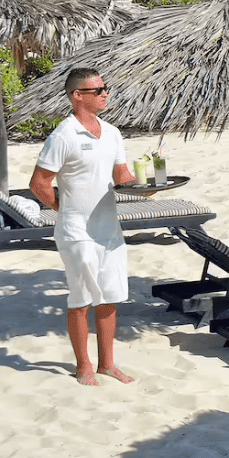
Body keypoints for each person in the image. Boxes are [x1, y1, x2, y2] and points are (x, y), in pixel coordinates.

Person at [29, 68, 138, 386]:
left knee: (109, 296)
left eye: (106, 87)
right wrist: (65, 210)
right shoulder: (63, 135)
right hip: (76, 231)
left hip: (109, 230)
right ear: (78, 96)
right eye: (98, 89)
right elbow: (39, 183)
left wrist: (148, 186)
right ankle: (84, 366)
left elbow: (122, 179)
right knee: (81, 299)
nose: (105, 93)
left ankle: (107, 364)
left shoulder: (113, 133)